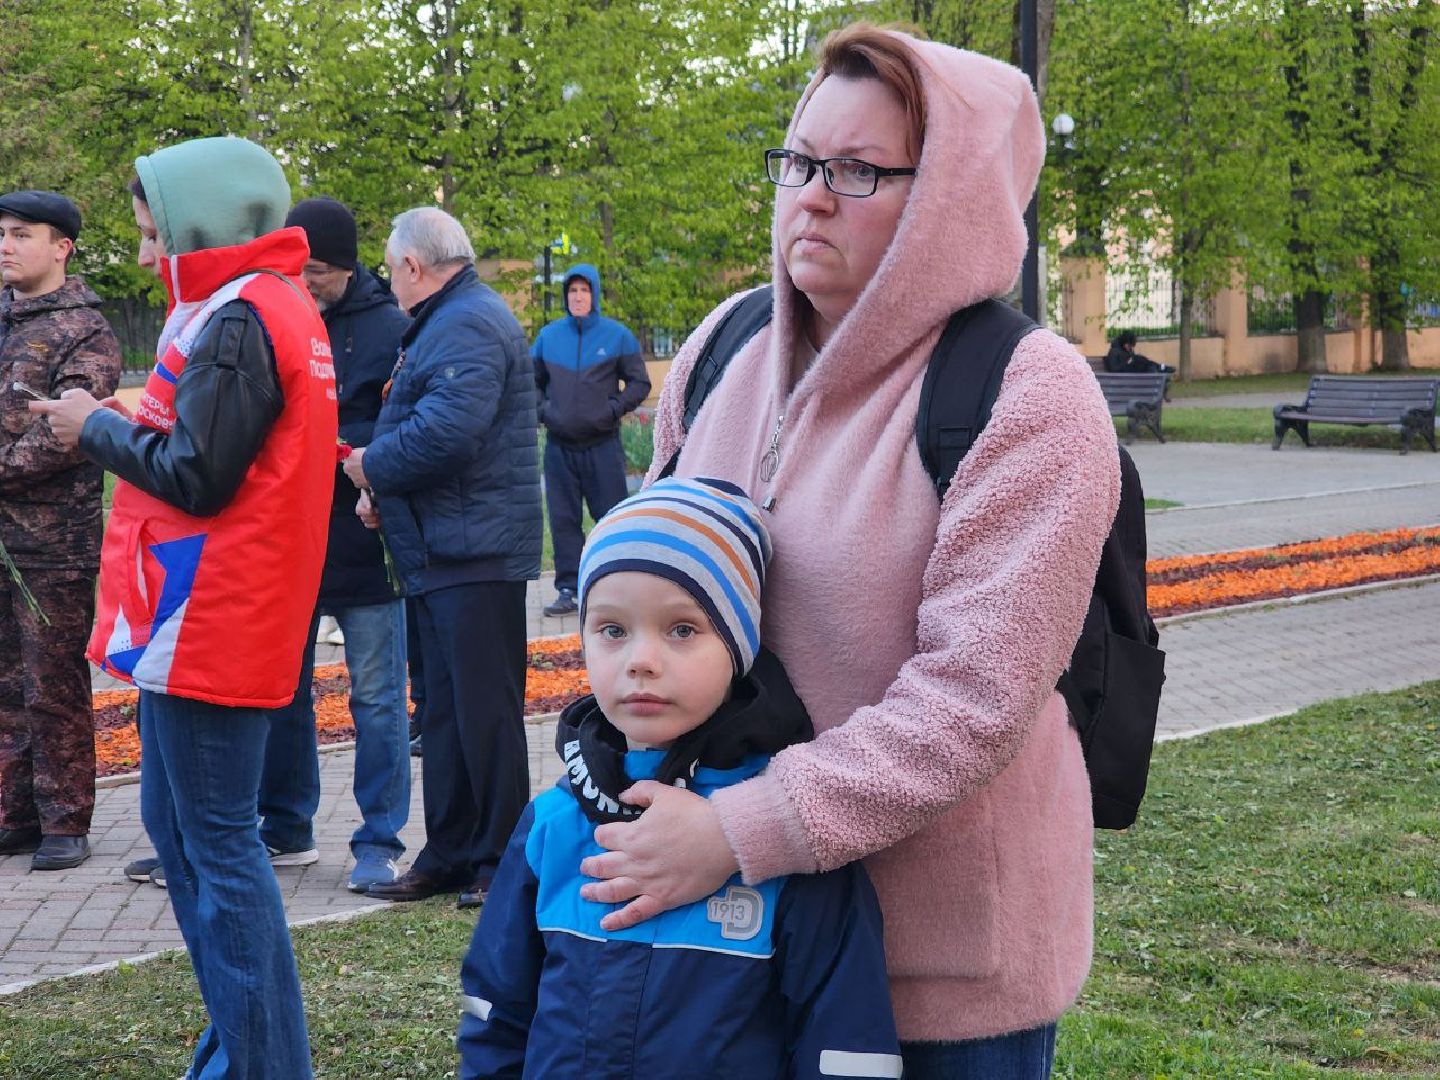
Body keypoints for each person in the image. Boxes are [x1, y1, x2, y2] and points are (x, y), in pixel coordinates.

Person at [574, 25, 1121, 1079]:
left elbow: (973, 700)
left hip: (937, 984)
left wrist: (739, 829)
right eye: (800, 162)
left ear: (949, 198)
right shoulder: (724, 346)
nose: (812, 198)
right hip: (736, 938)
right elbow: (646, 586)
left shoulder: (1027, 393)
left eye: (859, 171)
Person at [31, 136, 336, 1079]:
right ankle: (240, 1051)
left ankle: (266, 1064)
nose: (142, 252)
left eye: (152, 231)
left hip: (213, 612)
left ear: (201, 221)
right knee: (184, 838)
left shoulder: (242, 316)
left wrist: (94, 427)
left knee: (217, 851)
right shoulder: (257, 305)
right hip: (203, 608)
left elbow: (199, 476)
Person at [457, 477, 902, 1079]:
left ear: (739, 647)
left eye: (682, 630)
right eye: (613, 630)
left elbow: (846, 1046)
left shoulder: (791, 839)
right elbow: (496, 1016)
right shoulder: (550, 826)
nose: (641, 660)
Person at [343, 207, 541, 910]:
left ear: (413, 265)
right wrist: (385, 496)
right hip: (442, 549)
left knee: (485, 716)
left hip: (474, 554)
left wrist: (371, 466)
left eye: (390, 269)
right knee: (447, 716)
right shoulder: (445, 320)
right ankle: (451, 854)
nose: (389, 282)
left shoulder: (467, 322)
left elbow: (448, 434)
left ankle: (499, 861)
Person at [251, 196, 413, 893]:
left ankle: (379, 839)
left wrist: (350, 450)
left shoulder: (392, 328)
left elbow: (403, 421)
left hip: (365, 545)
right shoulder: (277, 316)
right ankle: (286, 827)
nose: (306, 281)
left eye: (316, 270)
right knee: (283, 692)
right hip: (290, 541)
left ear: (348, 267)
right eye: (297, 268)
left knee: (376, 700)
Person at [0, 190, 122, 871]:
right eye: (2, 233)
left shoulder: (85, 330)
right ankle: (14, 816)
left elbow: (67, 434)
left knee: (52, 685)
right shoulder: (3, 320)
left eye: (22, 234)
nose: (6, 246)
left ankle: (65, 821)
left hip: (52, 545)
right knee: (4, 688)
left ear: (62, 246)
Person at [531, 263, 650, 617]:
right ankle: (568, 589)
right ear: (565, 296)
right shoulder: (548, 338)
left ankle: (620, 586)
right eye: (572, 290)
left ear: (594, 294)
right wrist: (545, 412)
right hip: (560, 449)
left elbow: (639, 383)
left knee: (613, 518)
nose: (578, 296)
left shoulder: (617, 336)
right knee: (563, 521)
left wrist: (612, 410)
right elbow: (529, 383)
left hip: (602, 447)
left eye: (584, 290)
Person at [1103, 330, 1174, 375]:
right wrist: (1127, 363)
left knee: (1143, 360)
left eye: (1131, 346)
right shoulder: (1113, 352)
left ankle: (1160, 367)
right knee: (1143, 363)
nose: (1130, 348)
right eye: (1129, 346)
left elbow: (1131, 359)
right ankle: (1160, 368)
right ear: (1124, 342)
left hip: (1133, 372)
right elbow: (1113, 369)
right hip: (1124, 375)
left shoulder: (1128, 350)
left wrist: (1132, 359)